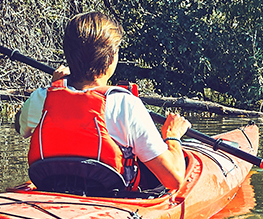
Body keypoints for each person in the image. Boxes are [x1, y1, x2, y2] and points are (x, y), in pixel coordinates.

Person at [16, 12, 192, 197]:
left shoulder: (41, 98)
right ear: (110, 59)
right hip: (111, 206)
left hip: (51, 196)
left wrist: (54, 87)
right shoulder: (126, 105)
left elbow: (19, 125)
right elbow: (173, 179)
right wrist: (172, 136)